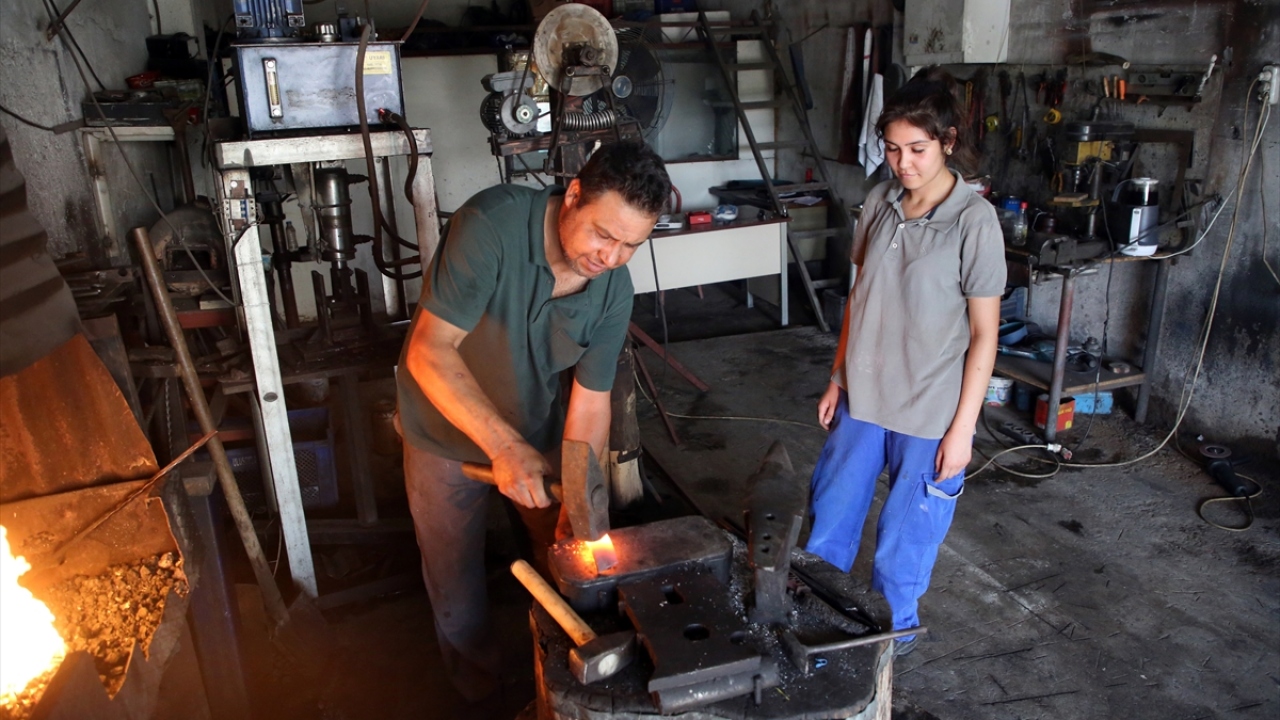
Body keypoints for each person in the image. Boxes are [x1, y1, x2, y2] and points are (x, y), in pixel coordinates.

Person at [396, 142, 670, 708]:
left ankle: (558, 681)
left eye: (630, 245)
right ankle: (481, 692)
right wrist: (503, 446)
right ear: (573, 195)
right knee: (454, 581)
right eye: (603, 234)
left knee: (569, 556)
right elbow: (428, 351)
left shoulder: (613, 291)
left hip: (538, 433)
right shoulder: (490, 226)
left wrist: (578, 486)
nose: (611, 256)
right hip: (442, 436)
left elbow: (591, 404)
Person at [804, 68, 1006, 657]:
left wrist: (963, 430)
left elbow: (984, 336)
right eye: (893, 149)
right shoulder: (880, 201)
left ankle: (885, 645)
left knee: (905, 539)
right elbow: (859, 295)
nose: (903, 163)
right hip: (864, 398)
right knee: (831, 517)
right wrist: (837, 377)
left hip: (929, 410)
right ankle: (819, 619)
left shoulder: (974, 222)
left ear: (947, 141)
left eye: (917, 149)